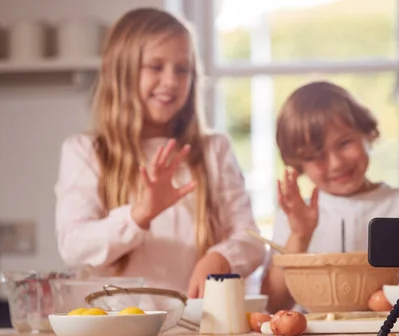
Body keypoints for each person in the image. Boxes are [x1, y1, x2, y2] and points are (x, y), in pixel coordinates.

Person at [54, 8, 265, 298]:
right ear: (121, 72)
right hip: (116, 332)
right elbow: (74, 247)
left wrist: (223, 257)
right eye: (155, 66)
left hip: (198, 327)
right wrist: (140, 214)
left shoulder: (214, 150)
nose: (171, 81)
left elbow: (251, 240)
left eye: (183, 69)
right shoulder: (86, 151)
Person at [259, 81, 399, 312]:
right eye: (316, 156)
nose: (336, 163)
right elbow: (274, 304)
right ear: (298, 164)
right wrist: (300, 235)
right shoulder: (294, 218)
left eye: (344, 143)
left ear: (367, 133)